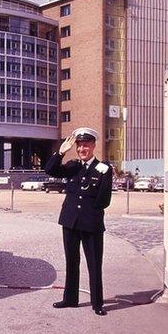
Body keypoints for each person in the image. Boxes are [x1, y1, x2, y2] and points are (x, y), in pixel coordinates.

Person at [45, 127, 113, 316]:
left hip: (91, 224)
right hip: (70, 222)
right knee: (71, 262)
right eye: (80, 145)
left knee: (94, 263)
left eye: (86, 145)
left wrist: (88, 214)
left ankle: (97, 303)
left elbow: (104, 200)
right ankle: (70, 299)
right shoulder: (73, 166)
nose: (82, 149)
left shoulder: (104, 169)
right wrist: (60, 152)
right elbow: (50, 170)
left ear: (93, 146)